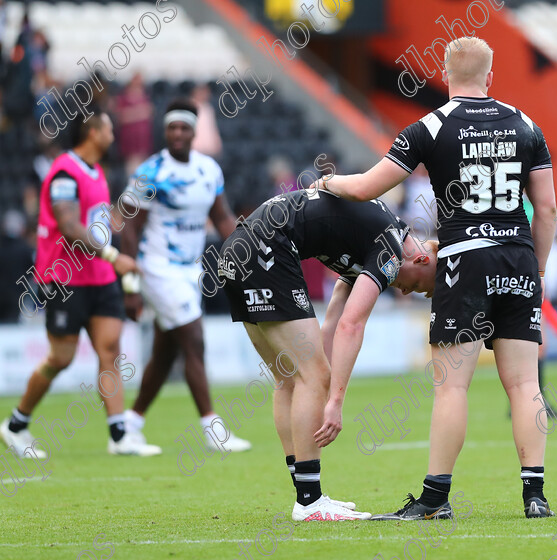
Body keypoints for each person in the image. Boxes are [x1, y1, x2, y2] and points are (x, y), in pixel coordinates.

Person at [319, 36, 557, 519]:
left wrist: (325, 183)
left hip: (465, 259)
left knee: (452, 387)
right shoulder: (526, 123)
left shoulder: (430, 125)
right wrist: (538, 270)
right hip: (516, 257)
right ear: (490, 77)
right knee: (525, 385)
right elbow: (548, 208)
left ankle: (435, 499)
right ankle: (535, 496)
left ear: (445, 75)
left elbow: (366, 188)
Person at [217, 187, 437, 521]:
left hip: (236, 247)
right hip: (266, 249)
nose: (405, 290)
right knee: (310, 375)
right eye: (418, 285)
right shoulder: (390, 252)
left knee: (290, 378)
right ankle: (310, 502)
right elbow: (352, 324)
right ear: (422, 258)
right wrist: (333, 399)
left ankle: (307, 496)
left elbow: (334, 318)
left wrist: (319, 377)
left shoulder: (372, 240)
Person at [0, 109, 160, 456]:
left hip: (99, 278)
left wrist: (126, 281)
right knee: (61, 357)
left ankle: (119, 436)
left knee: (110, 350)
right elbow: (70, 228)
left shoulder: (98, 172)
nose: (114, 135)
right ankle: (15, 425)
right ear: (92, 132)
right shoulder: (64, 173)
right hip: (65, 278)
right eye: (109, 128)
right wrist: (114, 258)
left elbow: (94, 226)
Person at [120, 99, 250, 453]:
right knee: (194, 338)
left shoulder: (209, 170)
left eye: (183, 128)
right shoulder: (149, 172)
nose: (177, 134)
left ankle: (129, 426)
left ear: (194, 131)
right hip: (156, 268)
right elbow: (129, 229)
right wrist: (130, 286)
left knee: (165, 352)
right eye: (171, 128)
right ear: (165, 132)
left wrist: (245, 251)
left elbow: (222, 216)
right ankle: (213, 429)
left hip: (189, 270)